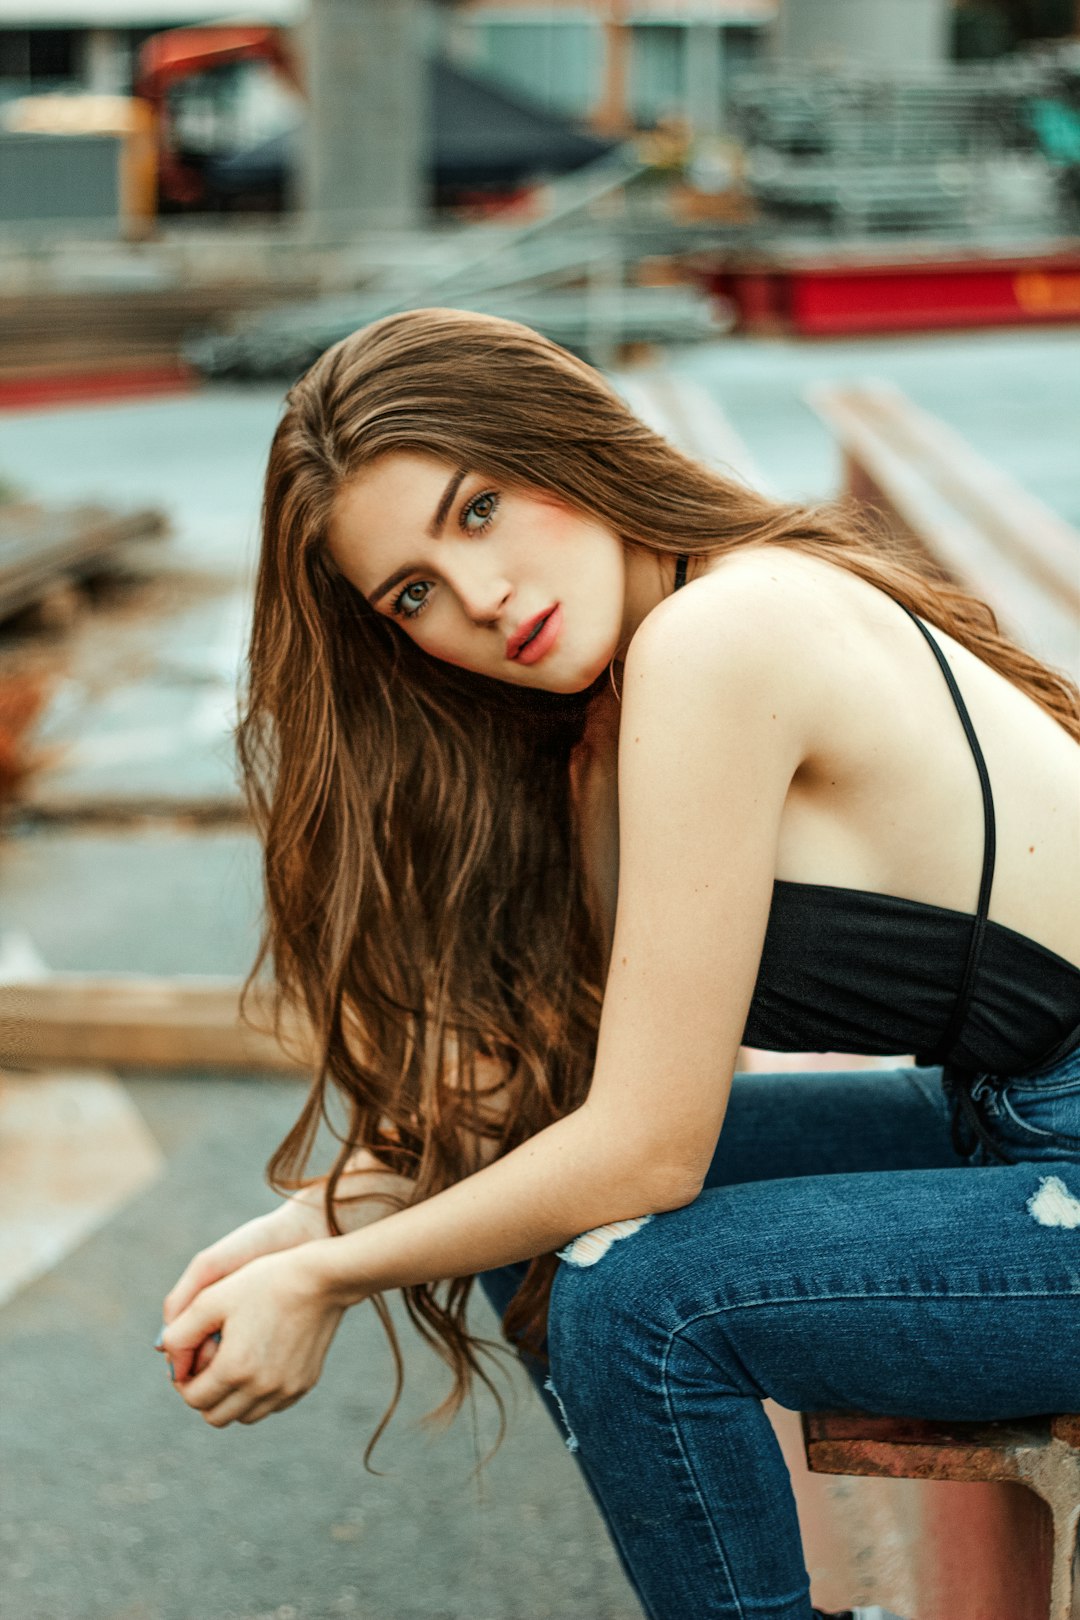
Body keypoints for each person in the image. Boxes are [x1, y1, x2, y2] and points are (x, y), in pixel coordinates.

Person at [158, 308, 1080, 1620]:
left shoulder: (728, 634)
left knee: (640, 1302)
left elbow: (650, 1151)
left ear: (562, 440)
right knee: (526, 1230)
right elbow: (540, 1085)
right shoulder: (622, 705)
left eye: (478, 509)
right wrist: (308, 1223)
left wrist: (326, 1279)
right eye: (411, 592)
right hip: (1015, 1130)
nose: (476, 596)